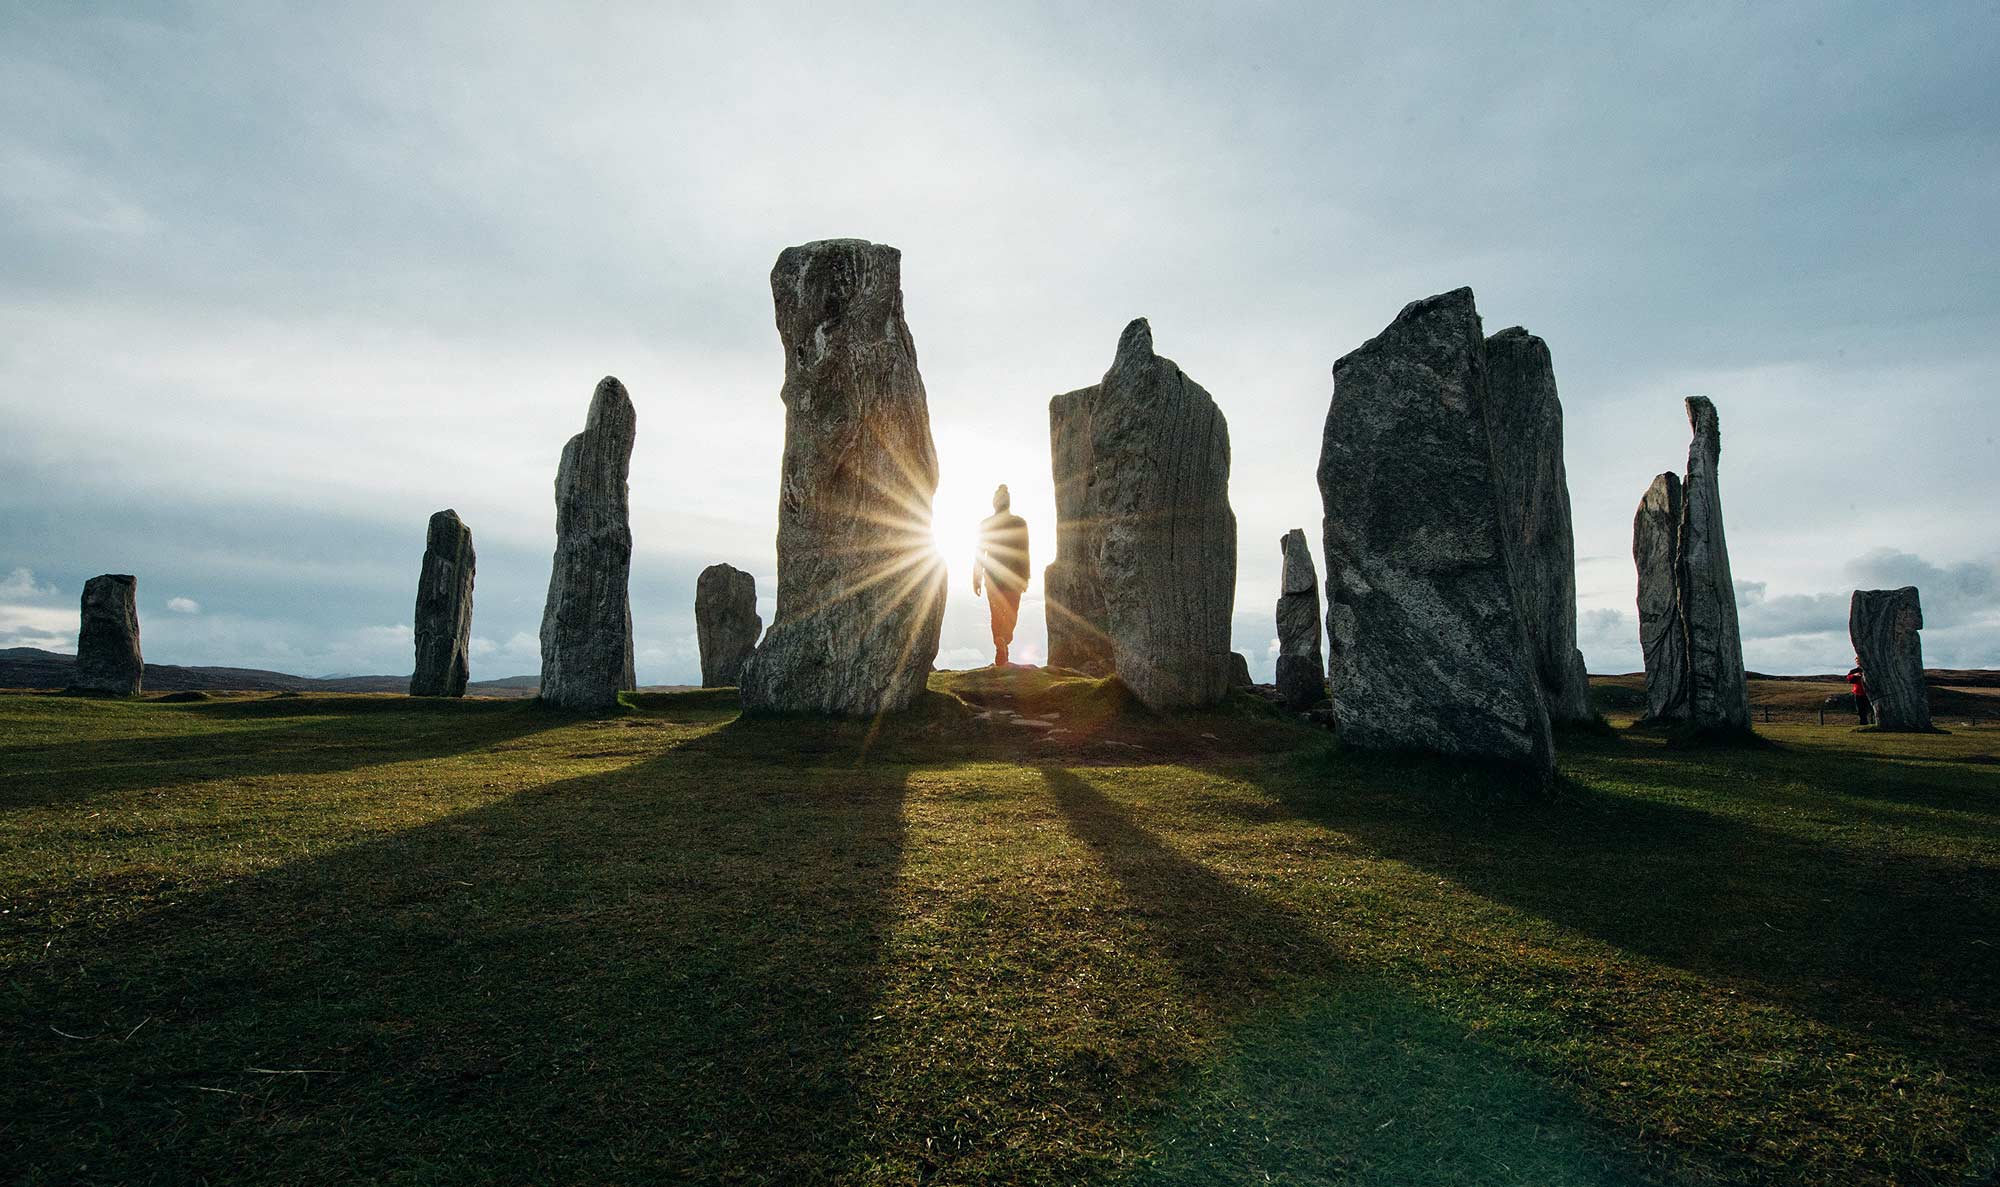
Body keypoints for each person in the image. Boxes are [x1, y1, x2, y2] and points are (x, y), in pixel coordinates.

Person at [972, 484, 1030, 667]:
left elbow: (980, 554)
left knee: (996, 615)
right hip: (1013, 578)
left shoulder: (986, 524)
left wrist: (977, 577)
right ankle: (1003, 642)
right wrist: (1025, 577)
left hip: (994, 578)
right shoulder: (1020, 523)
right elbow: (1024, 552)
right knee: (1011, 615)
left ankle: (1000, 643)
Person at [1847, 656, 1872, 725]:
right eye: (1857, 661)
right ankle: (1863, 723)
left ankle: (1873, 722)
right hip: (1858, 692)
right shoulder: (1854, 671)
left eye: (1859, 661)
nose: (1858, 663)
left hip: (1868, 692)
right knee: (1860, 709)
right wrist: (1854, 675)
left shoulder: (1869, 669)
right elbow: (1849, 679)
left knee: (1871, 709)